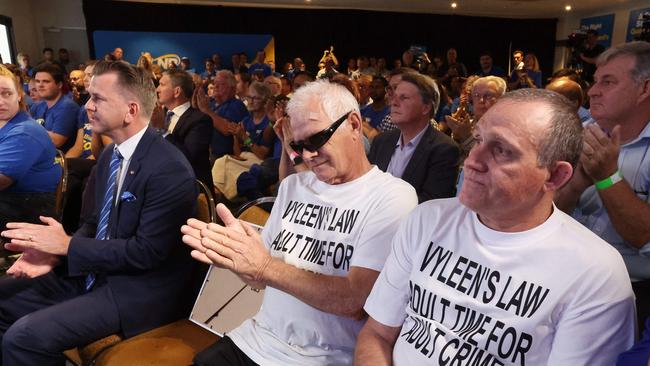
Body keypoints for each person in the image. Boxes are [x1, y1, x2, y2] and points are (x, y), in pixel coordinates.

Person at [355, 88, 635, 365]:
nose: (472, 161)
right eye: (478, 140)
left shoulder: (596, 274)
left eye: (501, 150)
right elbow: (378, 334)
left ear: (556, 175)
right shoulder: (427, 220)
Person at [183, 79, 418, 365]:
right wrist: (237, 257)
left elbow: (355, 300)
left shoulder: (393, 196)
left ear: (354, 125)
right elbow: (259, 280)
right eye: (298, 145)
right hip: (256, 339)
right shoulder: (294, 186)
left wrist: (265, 266)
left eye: (317, 139)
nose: (307, 155)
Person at [0, 60, 199, 365]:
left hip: (135, 289)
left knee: (24, 337)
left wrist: (67, 246)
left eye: (98, 99)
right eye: (90, 96)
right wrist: (58, 255)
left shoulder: (169, 169)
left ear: (131, 110)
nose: (88, 106)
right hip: (94, 271)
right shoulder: (110, 154)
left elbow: (147, 253)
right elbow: (93, 223)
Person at [555, 41, 650, 336]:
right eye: (596, 81)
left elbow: (645, 238)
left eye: (607, 82)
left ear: (645, 89)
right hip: (559, 274)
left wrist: (607, 178)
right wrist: (574, 186)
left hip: (630, 295)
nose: (593, 91)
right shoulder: (583, 133)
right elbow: (543, 214)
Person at [369, 72, 459, 203]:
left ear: (426, 107)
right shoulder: (381, 141)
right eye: (394, 97)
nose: (393, 102)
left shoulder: (445, 150)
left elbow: (431, 204)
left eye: (404, 97)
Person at [0, 64, 61, 239]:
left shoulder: (24, 132)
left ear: (19, 95)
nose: (0, 101)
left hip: (26, 211)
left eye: (6, 93)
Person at [154, 69, 213, 191]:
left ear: (177, 91)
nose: (157, 89)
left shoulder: (200, 120)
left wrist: (162, 131)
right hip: (160, 182)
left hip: (189, 189)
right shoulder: (158, 116)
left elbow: (186, 157)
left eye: (162, 85)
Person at [194, 70, 248, 160]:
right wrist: (196, 107)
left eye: (221, 84)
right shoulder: (211, 103)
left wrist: (206, 110)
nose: (216, 86)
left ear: (232, 88)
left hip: (227, 157)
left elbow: (227, 129)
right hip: (209, 153)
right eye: (215, 83)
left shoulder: (236, 105)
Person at [29, 63, 80, 153]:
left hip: (59, 160)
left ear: (59, 85)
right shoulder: (37, 106)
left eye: (46, 81)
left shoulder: (67, 107)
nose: (40, 85)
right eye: (37, 81)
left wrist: (27, 129)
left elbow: (57, 141)